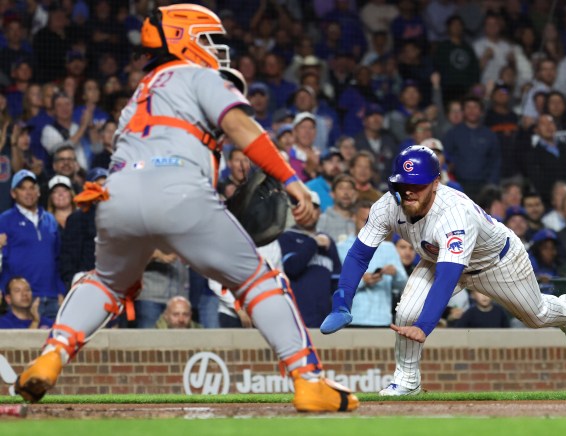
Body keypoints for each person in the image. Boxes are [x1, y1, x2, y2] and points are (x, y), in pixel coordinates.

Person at [14, 5, 358, 413]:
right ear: (183, 38)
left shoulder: (138, 96)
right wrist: (292, 180)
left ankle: (51, 356)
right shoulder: (199, 75)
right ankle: (308, 380)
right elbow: (242, 128)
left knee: (105, 282)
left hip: (116, 195)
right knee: (258, 281)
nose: (215, 49)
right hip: (178, 190)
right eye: (208, 39)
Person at [320, 146, 566, 396]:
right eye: (403, 184)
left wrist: (425, 327)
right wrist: (341, 300)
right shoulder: (387, 206)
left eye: (418, 184)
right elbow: (358, 254)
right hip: (437, 258)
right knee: (406, 312)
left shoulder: (453, 213)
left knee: (536, 316)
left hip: (497, 262)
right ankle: (407, 380)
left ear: (436, 183)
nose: (409, 191)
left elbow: (449, 276)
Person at [0, 170, 65, 320]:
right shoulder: (4, 220)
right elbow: (2, 261)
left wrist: (61, 290)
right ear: (13, 193)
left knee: (55, 343)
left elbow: (57, 259)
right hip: (21, 301)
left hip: (53, 298)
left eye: (32, 187)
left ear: (39, 191)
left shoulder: (50, 219)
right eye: (22, 188)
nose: (28, 192)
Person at [337, 200, 407, 327]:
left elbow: (404, 285)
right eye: (364, 220)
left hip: (383, 320)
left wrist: (395, 273)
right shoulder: (342, 248)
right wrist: (363, 281)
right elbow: (337, 287)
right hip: (353, 319)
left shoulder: (388, 248)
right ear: (354, 218)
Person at [279, 191, 341, 328]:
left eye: (311, 208)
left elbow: (337, 280)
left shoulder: (328, 241)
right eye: (302, 208)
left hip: (324, 319)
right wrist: (313, 242)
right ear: (295, 212)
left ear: (319, 212)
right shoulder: (286, 238)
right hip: (296, 318)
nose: (307, 212)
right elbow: (292, 268)